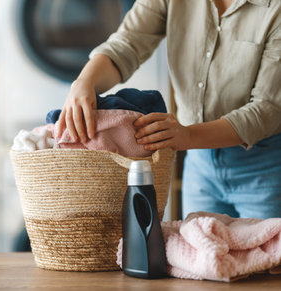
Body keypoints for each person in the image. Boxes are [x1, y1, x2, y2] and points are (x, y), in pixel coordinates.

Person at [56, 0, 281, 219]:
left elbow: (268, 109)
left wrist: (188, 135)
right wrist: (85, 82)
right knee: (202, 254)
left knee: (269, 257)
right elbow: (127, 44)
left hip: (265, 168)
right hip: (199, 166)